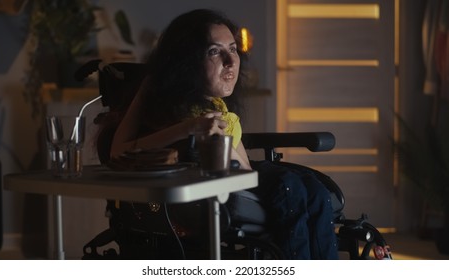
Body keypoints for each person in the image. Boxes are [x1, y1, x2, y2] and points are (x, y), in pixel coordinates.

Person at [109, 8, 338, 260]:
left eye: (232, 48)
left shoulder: (216, 103)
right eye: (215, 51)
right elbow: (118, 151)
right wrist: (187, 128)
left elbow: (244, 165)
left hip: (242, 174)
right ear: (186, 60)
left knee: (315, 191)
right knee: (290, 187)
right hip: (214, 181)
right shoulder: (164, 99)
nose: (231, 61)